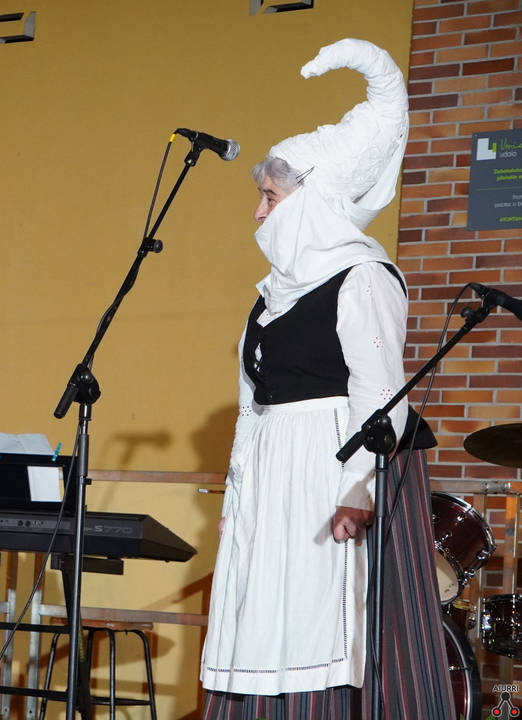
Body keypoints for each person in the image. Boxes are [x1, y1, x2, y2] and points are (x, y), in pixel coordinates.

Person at [200, 40, 454, 719]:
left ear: (313, 201)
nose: (259, 214)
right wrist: (238, 496)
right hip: (277, 476)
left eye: (270, 197)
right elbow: (252, 405)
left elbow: (379, 390)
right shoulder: (270, 296)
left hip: (335, 468)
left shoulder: (362, 276)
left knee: (329, 623)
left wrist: (358, 489)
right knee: (268, 619)